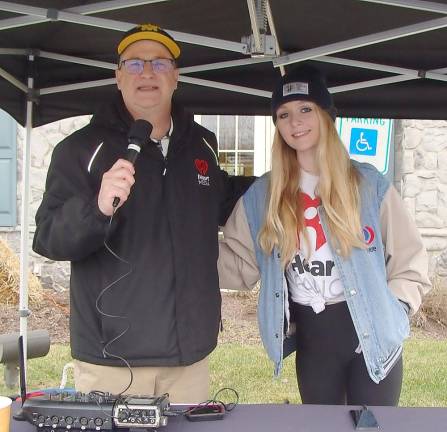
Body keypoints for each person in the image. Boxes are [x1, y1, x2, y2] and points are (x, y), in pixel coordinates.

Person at [33, 23, 253, 403]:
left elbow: (221, 199)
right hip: (114, 359)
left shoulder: (202, 144)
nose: (147, 73)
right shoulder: (80, 150)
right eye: (133, 64)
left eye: (159, 63)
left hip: (189, 354)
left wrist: (288, 180)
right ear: (118, 77)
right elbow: (49, 237)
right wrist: (97, 207)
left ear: (176, 77)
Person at [218, 64, 431, 406]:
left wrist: (396, 312)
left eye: (306, 109)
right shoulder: (264, 195)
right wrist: (186, 248)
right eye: (284, 114)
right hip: (314, 343)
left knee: (373, 428)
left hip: (371, 337)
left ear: (326, 116)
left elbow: (410, 260)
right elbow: (238, 264)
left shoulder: (368, 185)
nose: (295, 122)